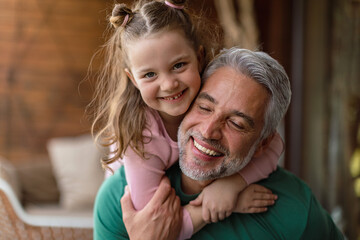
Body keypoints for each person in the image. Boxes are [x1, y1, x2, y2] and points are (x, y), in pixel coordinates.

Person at [94, 47, 344, 239]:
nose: (208, 130)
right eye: (204, 107)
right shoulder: (122, 201)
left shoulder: (295, 208)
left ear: (262, 145)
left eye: (236, 123)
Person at [91, 0, 283, 239]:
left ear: (199, 58)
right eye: (150, 74)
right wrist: (222, 204)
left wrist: (232, 184)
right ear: (133, 79)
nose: (169, 84)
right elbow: (159, 230)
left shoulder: (211, 93)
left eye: (179, 65)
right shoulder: (141, 140)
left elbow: (272, 144)